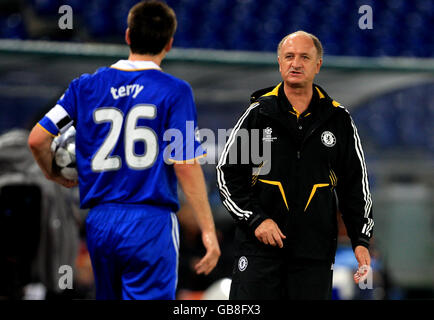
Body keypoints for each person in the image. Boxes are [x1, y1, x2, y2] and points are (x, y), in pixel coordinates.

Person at [28, 0, 220, 300]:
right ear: (169, 43)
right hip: (149, 220)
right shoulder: (174, 90)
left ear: (128, 36)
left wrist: (53, 174)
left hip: (101, 221)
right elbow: (184, 163)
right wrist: (208, 230)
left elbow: (37, 139)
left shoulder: (85, 86)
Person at [217, 31, 373, 300]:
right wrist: (256, 219)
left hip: (314, 256)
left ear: (318, 64)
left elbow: (355, 186)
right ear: (280, 62)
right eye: (289, 56)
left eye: (304, 57)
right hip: (259, 253)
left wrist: (360, 240)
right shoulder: (259, 115)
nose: (296, 63)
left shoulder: (338, 120)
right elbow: (228, 176)